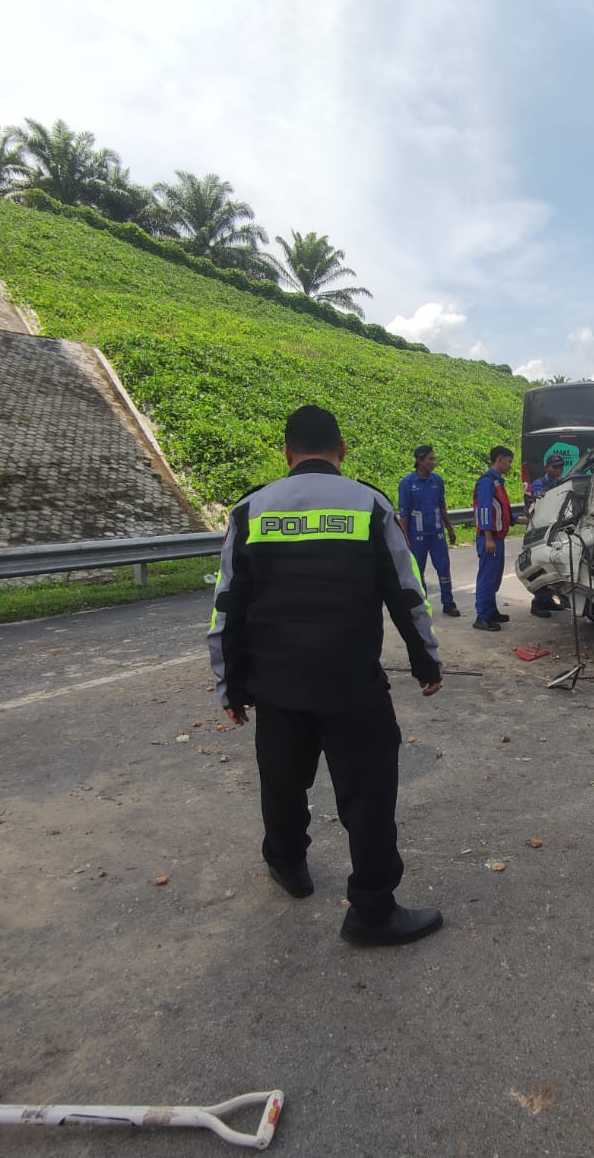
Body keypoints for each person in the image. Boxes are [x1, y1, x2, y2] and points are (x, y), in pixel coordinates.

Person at [207, 405, 444, 948]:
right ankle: (371, 912)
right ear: (341, 450)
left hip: (278, 688)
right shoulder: (369, 505)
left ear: (287, 453)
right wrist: (424, 661)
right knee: (368, 795)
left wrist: (232, 683)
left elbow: (228, 607)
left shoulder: (250, 510)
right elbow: (408, 595)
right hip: (352, 687)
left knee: (283, 784)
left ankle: (288, 866)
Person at [397, 445, 460, 617]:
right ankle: (422, 603)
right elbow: (404, 515)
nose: (434, 462)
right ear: (420, 461)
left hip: (437, 534)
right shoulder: (406, 484)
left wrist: (449, 528)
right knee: (418, 571)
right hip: (417, 536)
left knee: (443, 568)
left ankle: (448, 602)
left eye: (434, 458)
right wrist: (404, 538)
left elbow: (442, 506)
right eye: (430, 459)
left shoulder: (437, 481)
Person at [471, 445, 517, 632]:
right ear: (500, 459)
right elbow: (484, 510)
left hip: (497, 537)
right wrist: (488, 538)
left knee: (495, 577)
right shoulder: (486, 481)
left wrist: (521, 520)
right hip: (489, 538)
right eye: (509, 461)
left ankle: (491, 612)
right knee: (487, 577)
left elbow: (502, 510)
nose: (510, 465)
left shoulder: (498, 482)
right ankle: (482, 617)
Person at [528, 454, 566, 618]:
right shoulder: (539, 484)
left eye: (560, 467)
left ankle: (548, 600)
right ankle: (537, 603)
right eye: (555, 467)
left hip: (555, 529)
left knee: (553, 566)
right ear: (547, 468)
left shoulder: (561, 483)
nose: (558, 470)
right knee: (541, 567)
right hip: (540, 531)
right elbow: (541, 504)